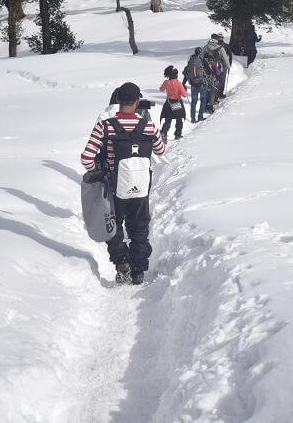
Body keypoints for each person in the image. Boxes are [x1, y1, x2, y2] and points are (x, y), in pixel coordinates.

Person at [81, 82, 166, 285]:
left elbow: (86, 158)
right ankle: (138, 271)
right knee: (139, 227)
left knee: (114, 226)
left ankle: (121, 263)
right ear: (138, 102)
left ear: (117, 101)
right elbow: (161, 151)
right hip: (141, 186)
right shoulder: (149, 126)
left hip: (114, 187)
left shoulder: (106, 125)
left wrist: (98, 172)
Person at [159, 66, 188, 141]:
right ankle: (177, 134)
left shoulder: (166, 82)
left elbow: (161, 89)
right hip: (177, 103)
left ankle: (163, 132)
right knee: (179, 120)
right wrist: (186, 92)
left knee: (168, 120)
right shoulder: (178, 83)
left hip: (168, 103)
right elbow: (184, 95)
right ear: (175, 75)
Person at [183, 48, 208, 122]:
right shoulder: (202, 60)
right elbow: (209, 71)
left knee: (194, 101)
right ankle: (200, 116)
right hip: (202, 83)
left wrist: (183, 83)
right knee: (203, 100)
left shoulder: (190, 61)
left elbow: (186, 72)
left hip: (193, 84)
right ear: (200, 53)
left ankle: (193, 118)